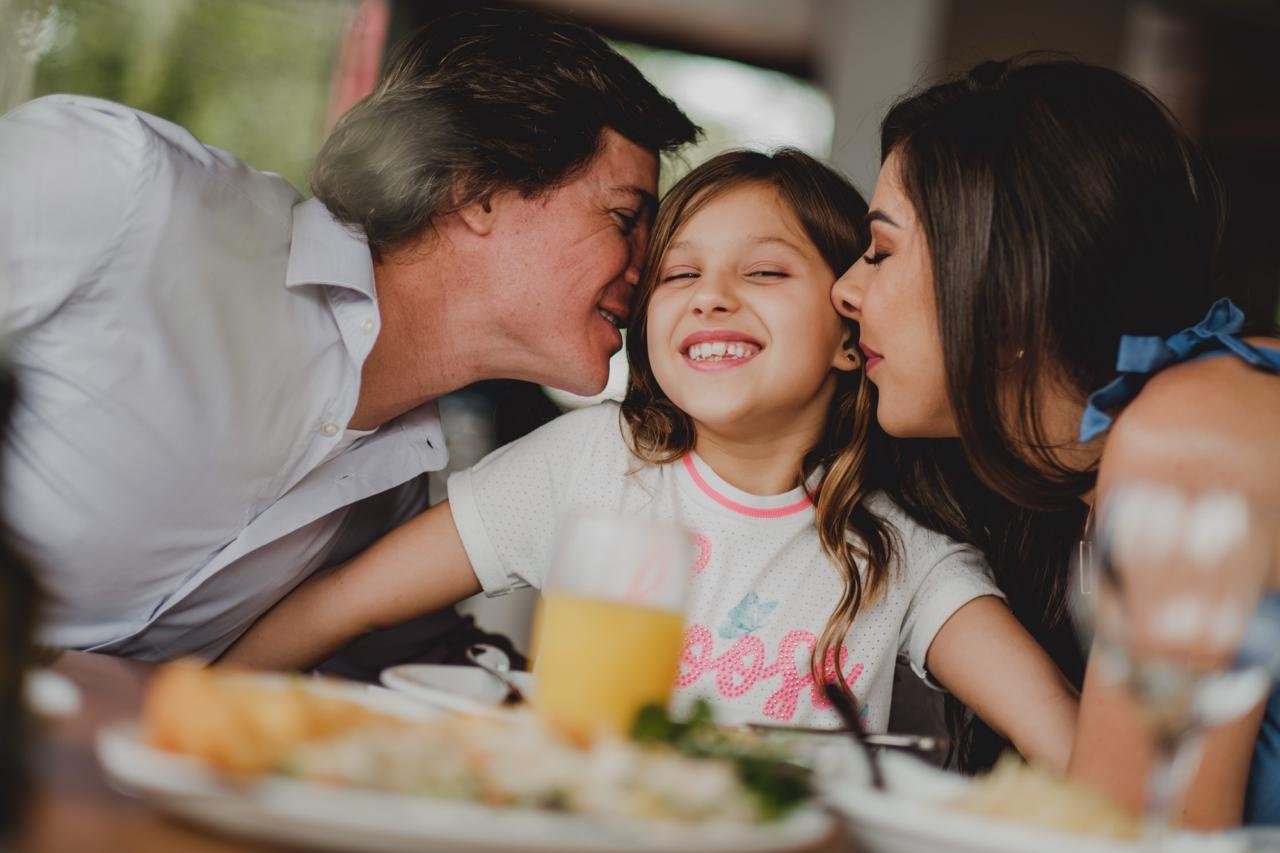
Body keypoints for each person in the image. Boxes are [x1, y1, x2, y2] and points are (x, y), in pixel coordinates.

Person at [224, 149, 1079, 768]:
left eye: (766, 272)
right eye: (677, 275)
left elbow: (1070, 742)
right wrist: (179, 714)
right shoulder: (590, 464)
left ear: (851, 334)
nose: (712, 294)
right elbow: (343, 602)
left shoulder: (898, 554)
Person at [0, 7, 699, 668]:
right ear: (477, 191)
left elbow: (406, 660)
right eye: (624, 216)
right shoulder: (126, 190)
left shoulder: (388, 491)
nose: (652, 270)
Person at [831, 55, 1280, 827]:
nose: (845, 288)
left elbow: (1143, 839)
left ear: (1000, 279)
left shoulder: (1188, 436)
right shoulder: (1099, 469)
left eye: (880, 251)